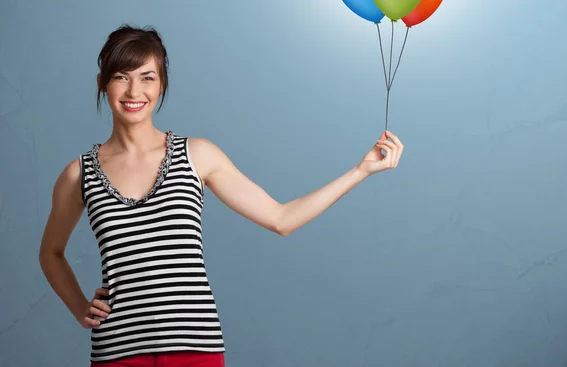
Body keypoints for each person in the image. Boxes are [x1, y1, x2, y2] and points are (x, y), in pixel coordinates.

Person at [38, 25, 404, 367]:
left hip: (196, 350)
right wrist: (79, 307)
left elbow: (281, 218)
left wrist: (360, 171)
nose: (135, 92)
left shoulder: (197, 155)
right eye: (121, 77)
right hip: (118, 352)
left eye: (147, 78)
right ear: (103, 84)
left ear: (162, 85)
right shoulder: (79, 173)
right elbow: (50, 253)